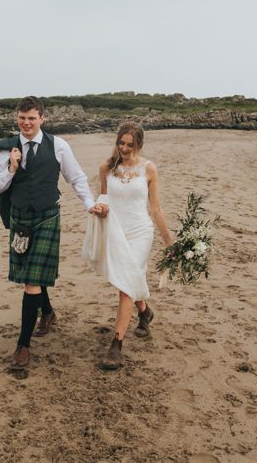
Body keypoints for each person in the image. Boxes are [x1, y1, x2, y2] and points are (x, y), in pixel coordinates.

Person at [0, 96, 105, 372]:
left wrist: (90, 204)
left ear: (42, 119)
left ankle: (23, 346)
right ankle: (47, 313)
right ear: (17, 118)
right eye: (22, 118)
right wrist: (11, 169)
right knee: (33, 276)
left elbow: (76, 179)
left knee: (31, 281)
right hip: (20, 218)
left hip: (48, 216)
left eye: (31, 118)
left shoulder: (59, 146)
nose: (26, 123)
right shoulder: (6, 150)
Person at [83, 122, 172, 370]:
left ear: (139, 145)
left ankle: (116, 345)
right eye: (120, 143)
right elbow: (104, 200)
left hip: (141, 231)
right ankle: (144, 311)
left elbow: (155, 208)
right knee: (126, 279)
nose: (123, 148)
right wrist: (99, 210)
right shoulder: (106, 167)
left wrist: (169, 242)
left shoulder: (149, 169)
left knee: (125, 287)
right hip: (116, 230)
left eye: (129, 144)